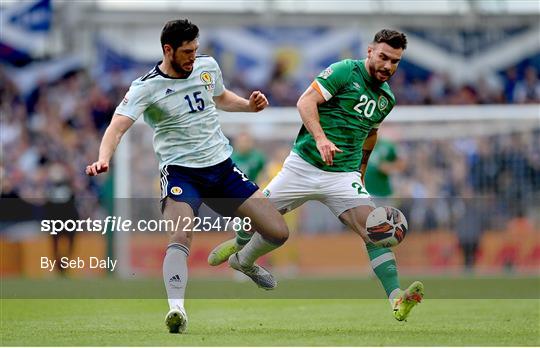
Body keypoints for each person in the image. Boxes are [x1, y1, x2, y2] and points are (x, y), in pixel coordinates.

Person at [86, 19, 289, 334]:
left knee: (278, 232)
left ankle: (243, 260)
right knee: (180, 236)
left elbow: (220, 98)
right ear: (168, 50)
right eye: (186, 51)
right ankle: (176, 310)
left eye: (195, 49)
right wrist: (103, 158)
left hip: (222, 169)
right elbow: (117, 126)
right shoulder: (146, 86)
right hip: (182, 174)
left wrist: (249, 106)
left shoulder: (207, 67)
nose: (193, 56)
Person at [208, 29, 424, 321]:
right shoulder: (345, 71)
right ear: (370, 51)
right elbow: (305, 102)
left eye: (395, 61)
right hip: (303, 166)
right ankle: (241, 254)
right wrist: (321, 139)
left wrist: (359, 171)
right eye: (384, 57)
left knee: (375, 231)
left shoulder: (387, 98)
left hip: (342, 177)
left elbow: (371, 134)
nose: (388, 66)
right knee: (263, 222)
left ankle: (397, 299)